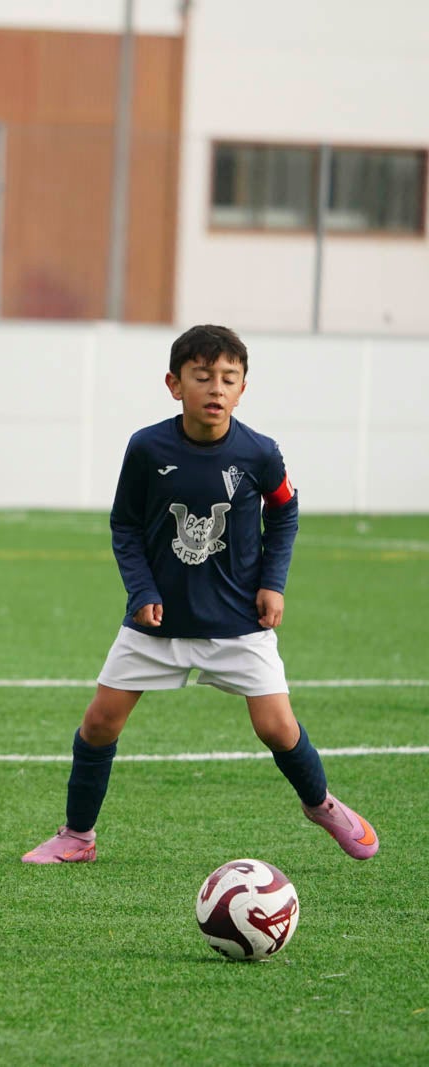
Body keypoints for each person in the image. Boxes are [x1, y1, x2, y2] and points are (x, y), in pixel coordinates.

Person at [22, 324, 378, 865]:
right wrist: (141, 589)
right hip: (157, 623)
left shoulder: (260, 453)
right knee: (99, 722)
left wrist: (273, 583)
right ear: (174, 384)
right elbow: (125, 524)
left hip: (237, 622)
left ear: (242, 389)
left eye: (229, 379)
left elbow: (284, 512)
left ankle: (320, 803)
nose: (216, 388)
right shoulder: (147, 447)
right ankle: (77, 836)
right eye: (203, 376)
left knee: (277, 728)